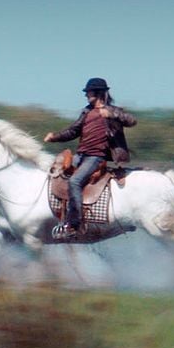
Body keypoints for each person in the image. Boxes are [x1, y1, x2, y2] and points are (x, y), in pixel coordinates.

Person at [43, 77, 137, 239]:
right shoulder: (86, 112)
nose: (86, 95)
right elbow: (72, 131)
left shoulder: (112, 110)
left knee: (75, 181)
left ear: (99, 93)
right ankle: (60, 215)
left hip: (96, 157)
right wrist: (55, 137)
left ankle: (74, 224)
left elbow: (132, 121)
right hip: (81, 155)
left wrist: (112, 114)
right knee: (56, 173)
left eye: (89, 92)